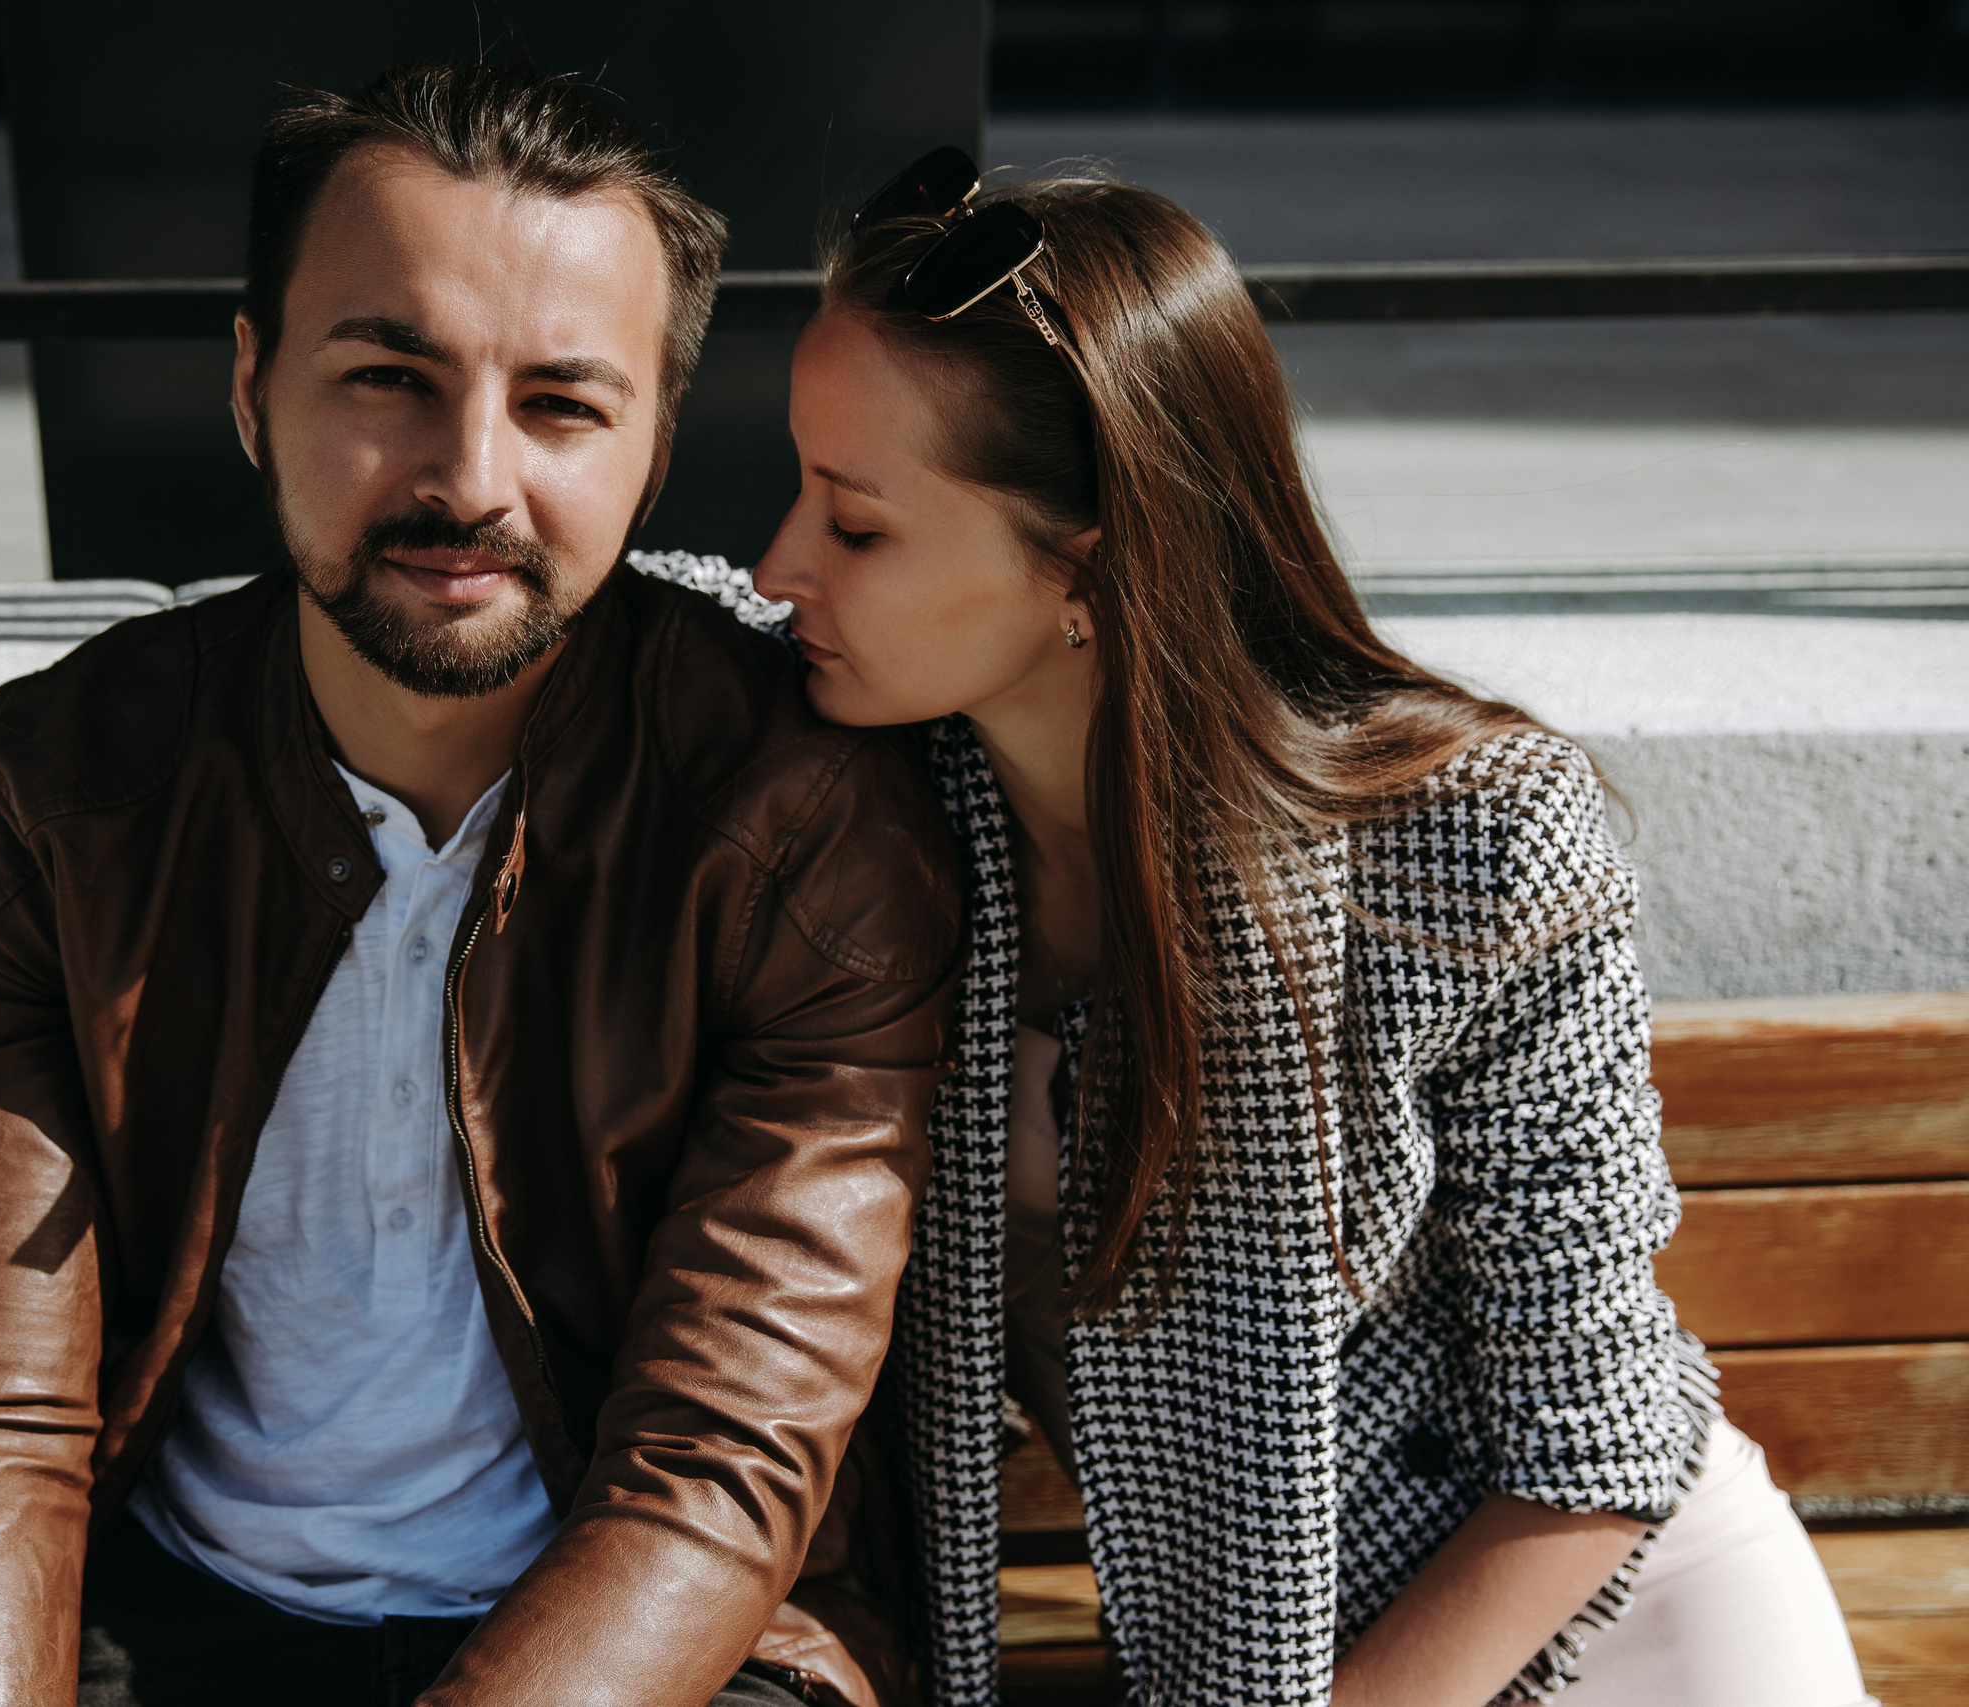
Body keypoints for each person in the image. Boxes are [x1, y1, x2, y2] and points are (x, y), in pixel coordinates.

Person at [0, 65, 962, 1707]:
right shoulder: (68, 784)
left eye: (563, 405)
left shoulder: (796, 822)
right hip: (173, 1620)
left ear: (656, 454)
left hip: (659, 1642)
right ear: (253, 387)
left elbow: (718, 1464)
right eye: (390, 376)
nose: (471, 480)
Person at [722, 150, 1873, 1706]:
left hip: (1610, 1617)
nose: (779, 564)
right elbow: (613, 605)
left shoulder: (1473, 846)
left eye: (856, 527)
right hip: (1222, 1657)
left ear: (1089, 566)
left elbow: (1592, 1448)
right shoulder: (883, 792)